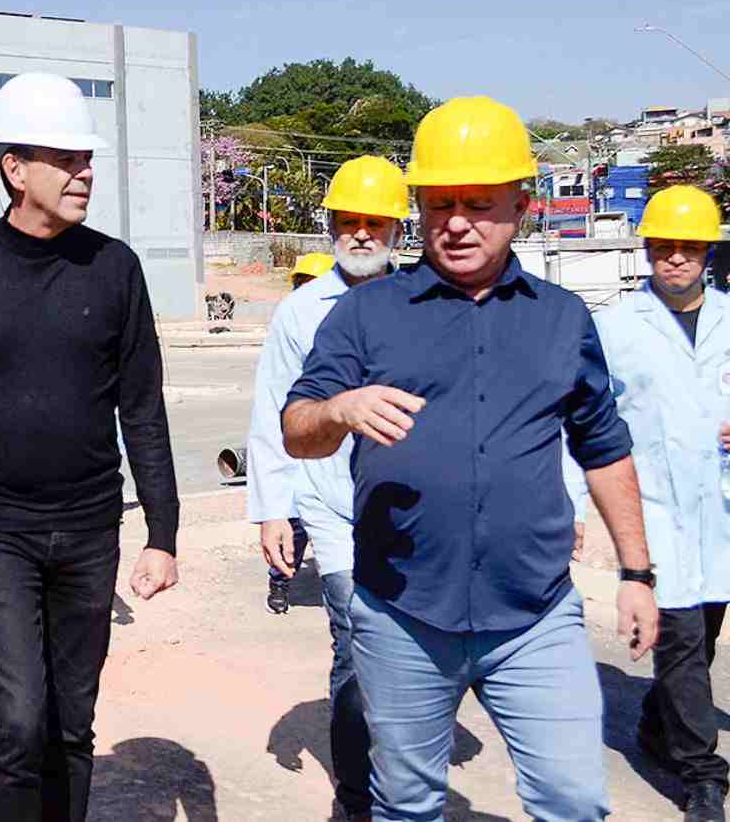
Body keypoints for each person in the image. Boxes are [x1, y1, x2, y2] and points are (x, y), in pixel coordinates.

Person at [282, 96, 659, 821]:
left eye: (479, 205)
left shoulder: (561, 318)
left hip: (534, 614)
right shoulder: (364, 314)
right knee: (406, 803)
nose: (455, 222)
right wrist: (339, 409)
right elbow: (297, 427)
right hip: (402, 614)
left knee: (574, 799)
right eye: (439, 203)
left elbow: (604, 447)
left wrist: (638, 574)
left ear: (521, 207)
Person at [0, 72, 181, 822]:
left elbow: (143, 409)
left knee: (72, 726)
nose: (84, 172)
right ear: (14, 168)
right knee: (18, 723)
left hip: (91, 529)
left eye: (87, 158)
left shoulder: (115, 267)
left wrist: (163, 533)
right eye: (65, 159)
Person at [245, 155, 407, 821]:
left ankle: (403, 781)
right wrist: (272, 511)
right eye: (349, 220)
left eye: (376, 221)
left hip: (411, 516)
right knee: (354, 653)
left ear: (399, 228)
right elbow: (270, 412)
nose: (362, 233)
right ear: (331, 226)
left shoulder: (428, 300)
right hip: (333, 509)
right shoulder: (301, 311)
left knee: (411, 656)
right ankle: (357, 799)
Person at [568, 185, 728, 822]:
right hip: (653, 507)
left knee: (705, 632)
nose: (676, 258)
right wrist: (574, 504)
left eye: (689, 247)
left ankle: (659, 730)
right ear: (649, 249)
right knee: (680, 635)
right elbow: (581, 420)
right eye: (665, 246)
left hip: (718, 507)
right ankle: (704, 777)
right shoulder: (614, 328)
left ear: (708, 253)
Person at [258, 249, 336, 616]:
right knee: (294, 524)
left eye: (312, 283)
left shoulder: (346, 323)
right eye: (301, 284)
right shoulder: (291, 320)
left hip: (334, 450)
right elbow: (273, 399)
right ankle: (280, 582)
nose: (306, 290)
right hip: (297, 445)